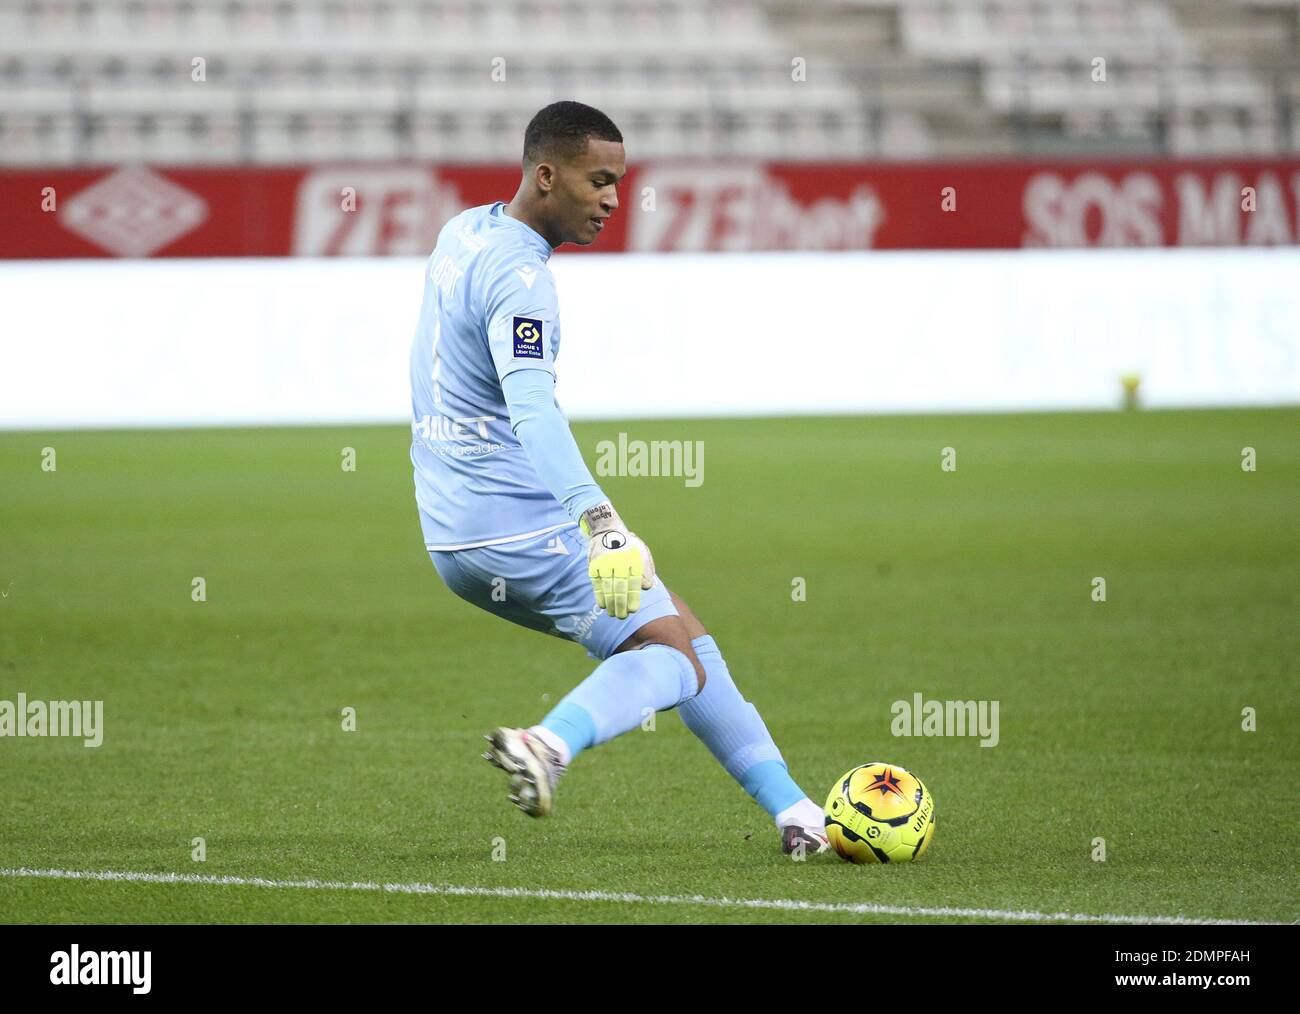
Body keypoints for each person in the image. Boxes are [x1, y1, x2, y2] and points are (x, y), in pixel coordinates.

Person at [409, 100, 827, 854]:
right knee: (671, 661)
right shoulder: (524, 282)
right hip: (515, 524)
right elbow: (533, 408)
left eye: (618, 182)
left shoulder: (463, 230)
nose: (611, 198)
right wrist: (600, 524)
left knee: (685, 639)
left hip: (452, 527)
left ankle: (797, 812)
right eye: (597, 179)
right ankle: (548, 744)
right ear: (546, 174)